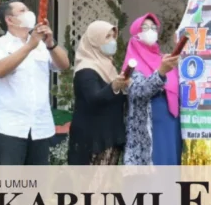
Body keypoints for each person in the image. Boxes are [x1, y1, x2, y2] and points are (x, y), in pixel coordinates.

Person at [0, 0, 69, 166]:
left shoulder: (42, 45)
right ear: (9, 19)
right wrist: (30, 45)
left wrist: (50, 43)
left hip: (39, 126)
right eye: (22, 10)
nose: (29, 13)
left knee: (37, 186)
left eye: (28, 9)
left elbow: (64, 65)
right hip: (9, 127)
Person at [123, 13, 182, 166]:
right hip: (150, 124)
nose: (150, 31)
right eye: (145, 27)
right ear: (136, 33)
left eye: (153, 28)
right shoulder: (132, 62)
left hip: (171, 121)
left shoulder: (162, 58)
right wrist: (161, 72)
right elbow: (138, 91)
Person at [67, 20, 129, 165]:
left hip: (110, 136)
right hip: (93, 139)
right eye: (107, 37)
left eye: (114, 37)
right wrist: (114, 86)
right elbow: (93, 99)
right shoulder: (86, 69)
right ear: (94, 41)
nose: (112, 41)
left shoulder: (108, 66)